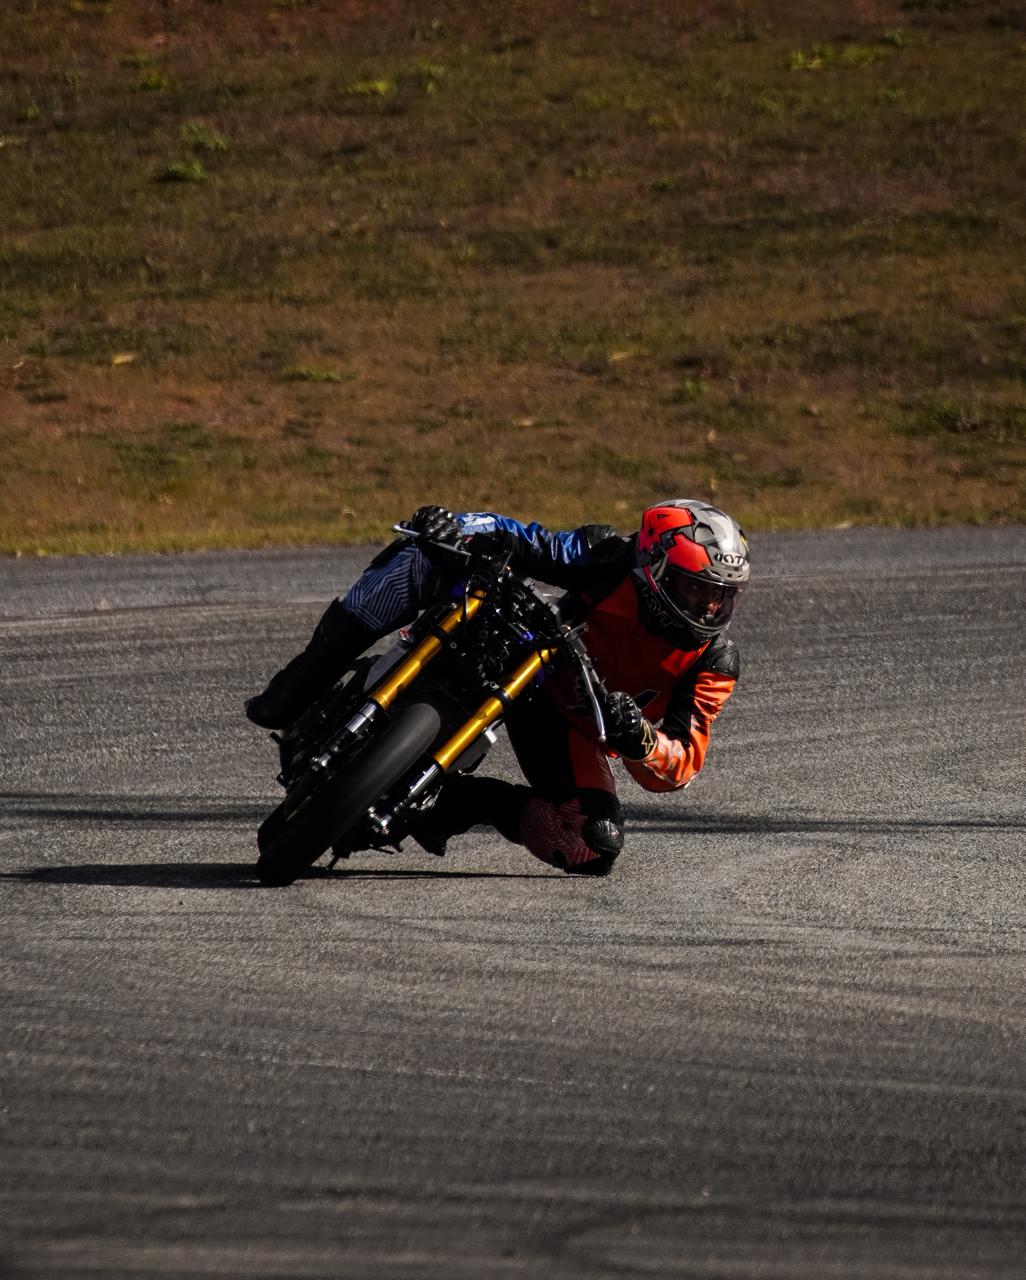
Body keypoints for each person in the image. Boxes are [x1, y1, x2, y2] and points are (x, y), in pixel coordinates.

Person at [246, 499, 749, 876]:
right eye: (696, 589)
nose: (709, 608)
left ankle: (451, 803)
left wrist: (638, 738)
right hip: (525, 650)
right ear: (655, 567)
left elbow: (682, 764)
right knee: (432, 552)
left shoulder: (715, 661)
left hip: (571, 722)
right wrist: (455, 525)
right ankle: (303, 679)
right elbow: (519, 536)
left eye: (721, 596)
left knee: (592, 844)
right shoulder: (608, 557)